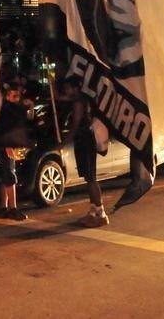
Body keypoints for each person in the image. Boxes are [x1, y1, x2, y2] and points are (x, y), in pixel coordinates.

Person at [63, 75, 107, 227]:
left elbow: (75, 126)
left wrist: (65, 142)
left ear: (75, 88)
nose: (66, 90)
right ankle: (93, 211)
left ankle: (100, 213)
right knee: (89, 178)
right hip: (85, 141)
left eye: (68, 87)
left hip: (84, 142)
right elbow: (63, 98)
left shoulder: (79, 103)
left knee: (91, 178)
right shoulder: (83, 99)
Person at [0, 83, 32, 221]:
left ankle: (4, 207)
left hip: (5, 144)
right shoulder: (7, 110)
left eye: (18, 96)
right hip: (5, 145)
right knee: (10, 175)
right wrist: (8, 145)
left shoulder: (9, 108)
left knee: (6, 176)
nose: (16, 99)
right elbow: (5, 128)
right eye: (14, 96)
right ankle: (13, 208)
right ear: (8, 96)